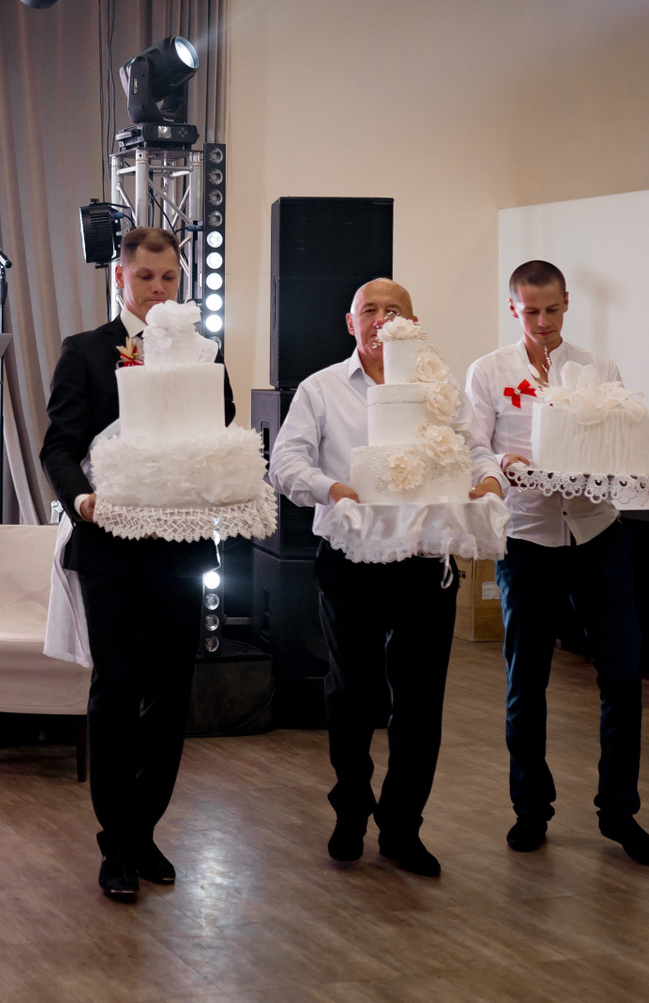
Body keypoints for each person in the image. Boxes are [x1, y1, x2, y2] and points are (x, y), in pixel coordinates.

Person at [269, 278, 503, 878]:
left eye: (393, 310)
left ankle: (403, 827)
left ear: (412, 324)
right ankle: (350, 811)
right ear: (352, 323)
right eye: (369, 310)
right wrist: (332, 488)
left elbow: (477, 450)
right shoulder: (321, 388)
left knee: (421, 700)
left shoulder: (439, 391)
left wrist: (489, 480)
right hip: (350, 557)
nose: (381, 319)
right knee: (353, 692)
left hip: (428, 558)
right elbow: (286, 462)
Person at [39, 226, 235, 902]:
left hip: (181, 545)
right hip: (111, 545)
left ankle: (145, 828)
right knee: (118, 689)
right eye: (145, 277)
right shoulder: (86, 351)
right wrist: (81, 500)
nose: (158, 289)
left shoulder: (205, 353)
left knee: (172, 692)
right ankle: (116, 842)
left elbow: (220, 429)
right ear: (120, 278)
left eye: (169, 278)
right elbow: (59, 446)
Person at [464, 260, 649, 864]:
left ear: (567, 303)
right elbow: (474, 447)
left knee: (622, 675)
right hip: (528, 539)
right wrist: (504, 465)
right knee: (526, 682)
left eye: (552, 309)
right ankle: (530, 808)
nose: (543, 322)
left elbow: (614, 441)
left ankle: (620, 810)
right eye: (531, 311)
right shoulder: (488, 372)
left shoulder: (600, 368)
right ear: (513, 308)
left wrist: (641, 463)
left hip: (599, 534)